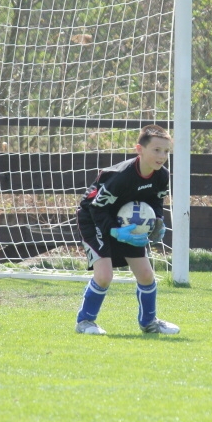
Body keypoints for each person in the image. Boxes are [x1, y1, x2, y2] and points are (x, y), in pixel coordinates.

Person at [74, 124, 179, 335]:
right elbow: (97, 208)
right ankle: (85, 322)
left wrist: (158, 220)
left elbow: (156, 202)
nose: (162, 156)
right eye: (156, 150)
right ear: (139, 149)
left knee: (147, 275)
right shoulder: (121, 176)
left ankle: (149, 323)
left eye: (166, 151)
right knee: (104, 276)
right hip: (94, 219)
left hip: (126, 223)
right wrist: (114, 232)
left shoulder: (161, 175)